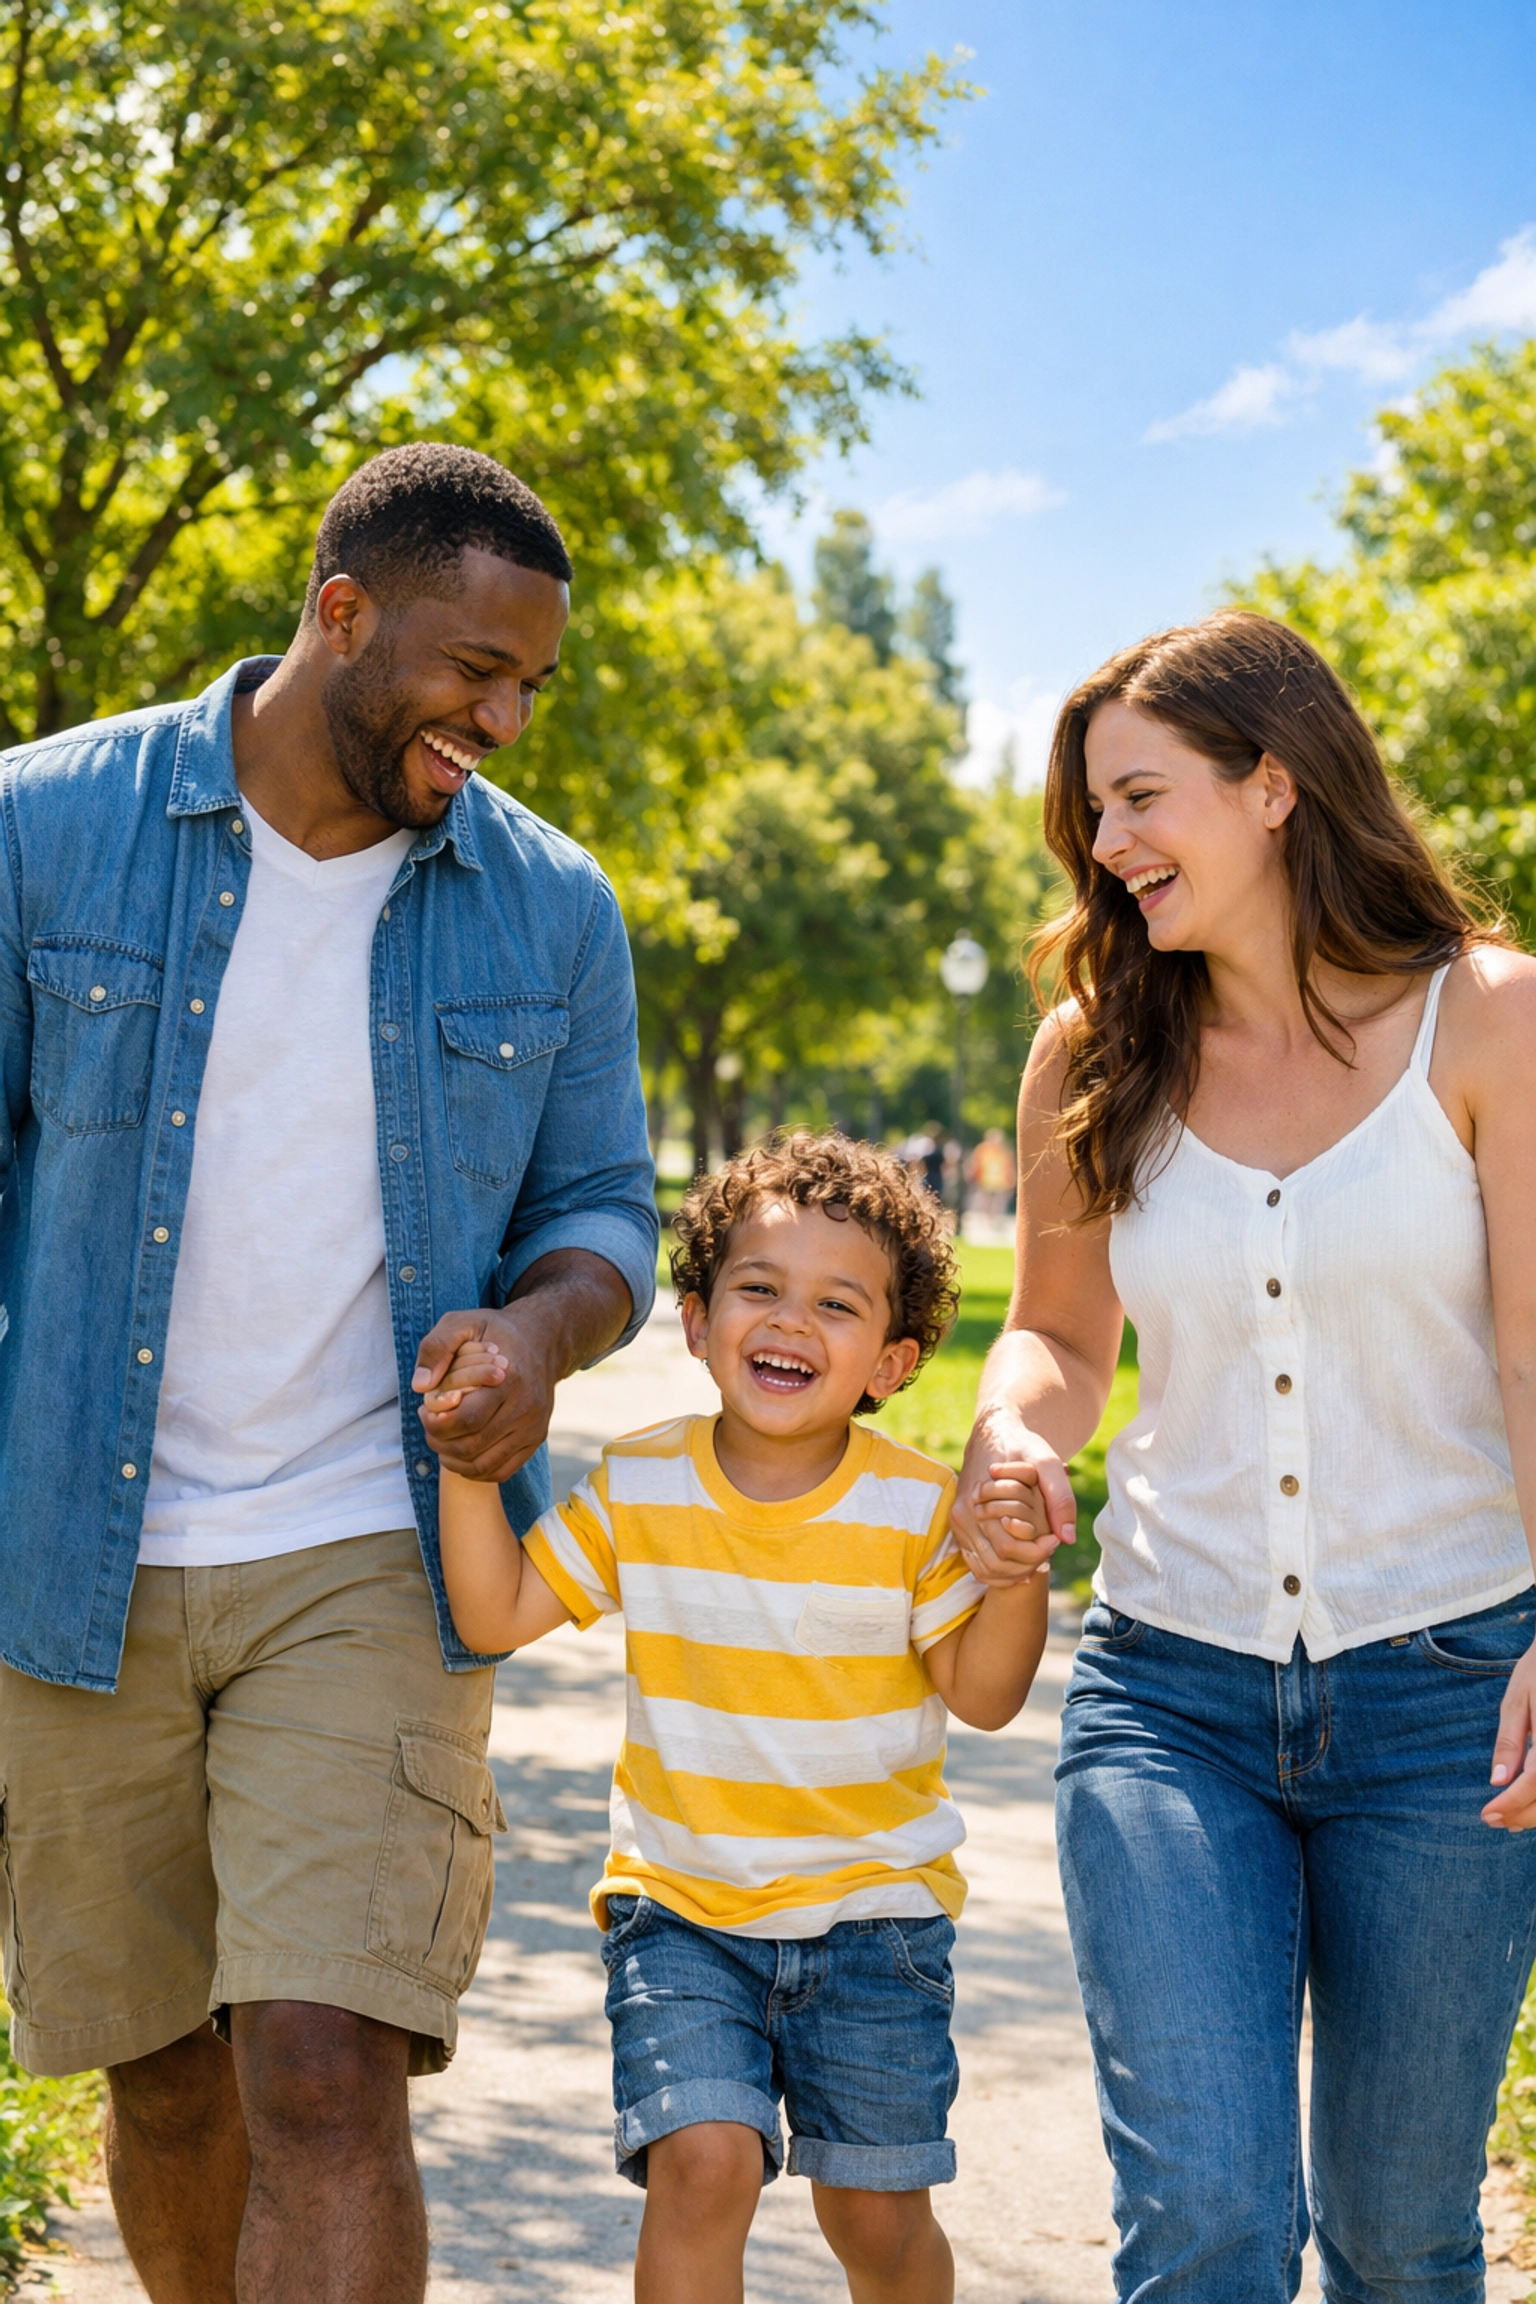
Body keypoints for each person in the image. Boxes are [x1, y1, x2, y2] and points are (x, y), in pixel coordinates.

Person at [0, 444, 659, 2304]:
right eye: (476, 670)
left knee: (320, 2066)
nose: (504, 721)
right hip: (76, 1554)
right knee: (164, 2078)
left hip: (375, 1543)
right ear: (342, 611)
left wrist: (538, 1331)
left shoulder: (549, 904)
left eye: (532, 684)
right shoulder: (42, 830)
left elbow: (603, 1204)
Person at [951, 611, 1536, 2303]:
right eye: (1093, 815)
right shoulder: (1093, 1048)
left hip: (1451, 1700)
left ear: (1274, 783)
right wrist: (1008, 1425)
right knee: (1206, 2218)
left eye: (1141, 798)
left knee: (1400, 2238)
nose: (1109, 845)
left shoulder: (1487, 1021)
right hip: (1169, 1692)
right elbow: (1060, 1337)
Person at [425, 1132, 1052, 2304]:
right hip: (683, 1914)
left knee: (875, 2219)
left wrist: (1015, 1578)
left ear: (894, 1359)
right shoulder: (642, 1482)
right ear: (698, 1320)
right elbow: (496, 1611)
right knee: (701, 2165)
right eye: (759, 1289)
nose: (791, 1322)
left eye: (837, 1304)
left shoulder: (916, 1510)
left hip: (875, 1924)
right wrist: (470, 1465)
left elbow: (984, 1694)